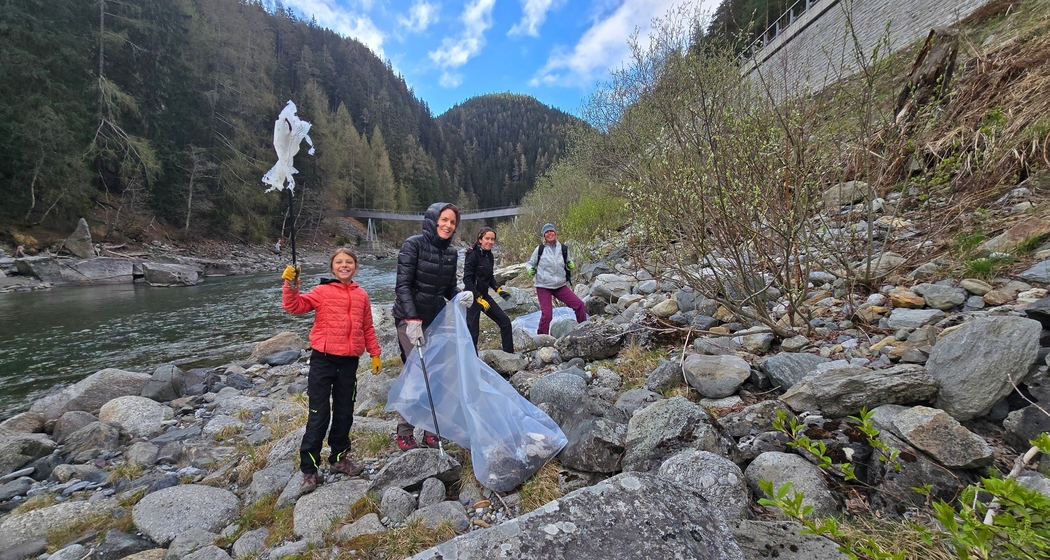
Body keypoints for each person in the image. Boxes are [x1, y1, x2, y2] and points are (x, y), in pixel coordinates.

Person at [281, 248, 382, 493]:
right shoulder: (321, 291)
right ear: (332, 267)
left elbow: (367, 327)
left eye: (349, 262)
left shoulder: (362, 295)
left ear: (355, 267)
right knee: (319, 415)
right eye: (339, 262)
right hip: (323, 361)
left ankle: (339, 459)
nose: (344, 265)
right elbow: (294, 306)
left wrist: (375, 353)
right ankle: (309, 470)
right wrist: (290, 285)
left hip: (349, 362)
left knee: (345, 412)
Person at [392, 202, 474, 451]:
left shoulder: (451, 253)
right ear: (433, 220)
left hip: (436, 320)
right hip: (409, 320)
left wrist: (460, 295)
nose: (448, 225)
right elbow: (403, 286)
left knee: (438, 374)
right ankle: (405, 431)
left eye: (452, 222)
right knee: (418, 373)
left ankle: (432, 430)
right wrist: (411, 319)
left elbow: (448, 288)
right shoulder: (413, 245)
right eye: (444, 219)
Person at [526, 223, 587, 335]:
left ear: (555, 233)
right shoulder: (540, 249)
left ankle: (584, 330)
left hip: (560, 286)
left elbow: (568, 261)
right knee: (547, 315)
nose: (549, 233)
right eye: (546, 232)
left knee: (579, 305)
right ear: (544, 236)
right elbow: (530, 264)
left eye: (551, 231)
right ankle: (542, 339)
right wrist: (530, 270)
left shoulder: (563, 248)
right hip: (543, 286)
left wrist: (570, 265)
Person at [463, 227, 514, 354]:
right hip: (472, 299)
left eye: (492, 239)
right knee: (473, 334)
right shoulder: (472, 256)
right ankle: (472, 362)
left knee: (505, 322)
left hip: (485, 296)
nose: (490, 242)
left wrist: (498, 290)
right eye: (487, 238)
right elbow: (467, 280)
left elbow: (489, 277)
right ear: (480, 239)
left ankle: (509, 355)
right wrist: (477, 297)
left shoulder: (489, 255)